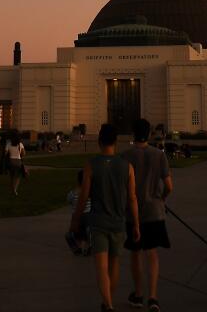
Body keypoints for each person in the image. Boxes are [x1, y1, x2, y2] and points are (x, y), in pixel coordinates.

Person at [70, 124, 139, 312]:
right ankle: (109, 301)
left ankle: (108, 304)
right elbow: (132, 198)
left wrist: (75, 220)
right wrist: (137, 225)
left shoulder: (91, 165)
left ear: (99, 141)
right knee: (114, 264)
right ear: (116, 142)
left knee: (101, 266)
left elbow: (83, 196)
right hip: (118, 222)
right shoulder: (127, 166)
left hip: (98, 223)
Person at [123, 118, 172, 312]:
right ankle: (153, 297)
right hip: (154, 211)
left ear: (133, 134)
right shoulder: (159, 155)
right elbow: (169, 186)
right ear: (150, 133)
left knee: (135, 254)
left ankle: (138, 294)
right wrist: (162, 199)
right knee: (152, 254)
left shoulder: (125, 156)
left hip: (133, 213)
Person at [66, 168, 92, 255]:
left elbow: (69, 200)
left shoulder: (73, 193)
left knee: (78, 234)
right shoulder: (90, 192)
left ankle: (78, 248)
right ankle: (88, 247)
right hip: (88, 215)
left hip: (76, 216)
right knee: (87, 234)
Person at [5, 132, 26, 196]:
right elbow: (23, 153)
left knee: (11, 177)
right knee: (17, 177)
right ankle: (15, 190)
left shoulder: (8, 144)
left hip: (10, 161)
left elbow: (5, 153)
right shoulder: (20, 144)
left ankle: (12, 190)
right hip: (18, 161)